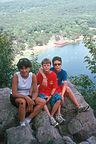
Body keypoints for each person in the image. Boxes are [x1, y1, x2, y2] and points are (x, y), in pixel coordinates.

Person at [10, 58, 45, 126]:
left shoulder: (33, 76)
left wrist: (31, 102)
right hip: (17, 96)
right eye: (22, 68)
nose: (24, 70)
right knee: (22, 102)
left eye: (26, 68)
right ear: (19, 69)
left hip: (27, 96)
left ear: (29, 68)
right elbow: (14, 93)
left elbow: (35, 92)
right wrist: (26, 97)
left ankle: (28, 119)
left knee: (42, 102)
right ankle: (22, 122)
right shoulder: (16, 76)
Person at [37, 58, 64, 127]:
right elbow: (36, 83)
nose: (46, 67)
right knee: (43, 102)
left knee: (59, 99)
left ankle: (52, 115)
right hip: (43, 92)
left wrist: (50, 96)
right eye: (44, 65)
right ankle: (50, 117)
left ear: (50, 66)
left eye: (48, 65)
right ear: (42, 66)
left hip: (51, 92)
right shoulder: (39, 74)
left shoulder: (53, 75)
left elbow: (54, 87)